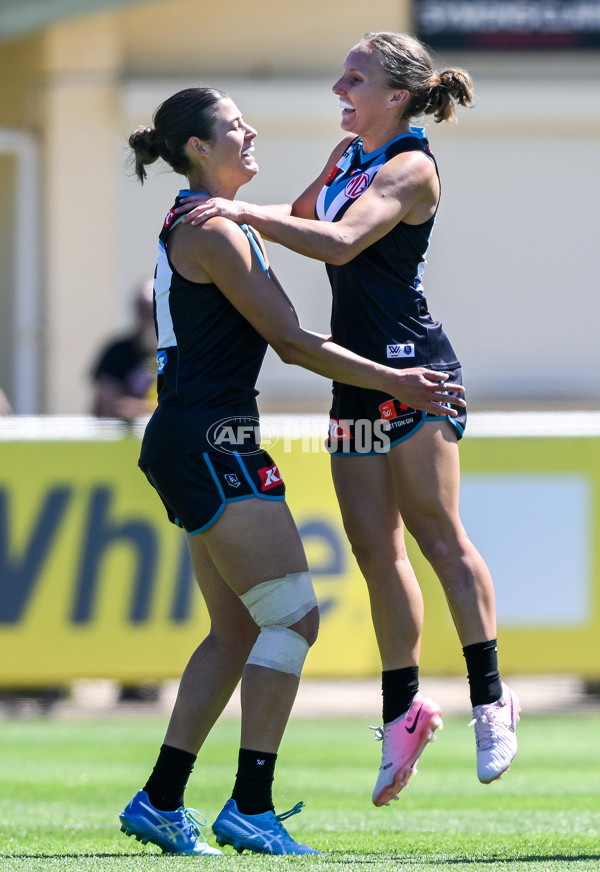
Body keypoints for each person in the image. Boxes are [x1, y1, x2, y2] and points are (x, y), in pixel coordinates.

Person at [175, 31, 520, 808]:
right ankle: (404, 713)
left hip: (415, 371)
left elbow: (334, 243)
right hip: (359, 379)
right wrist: (244, 214)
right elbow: (300, 213)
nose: (340, 89)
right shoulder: (347, 157)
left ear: (396, 96)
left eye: (353, 79)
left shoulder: (411, 165)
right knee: (374, 549)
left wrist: (236, 210)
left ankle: (492, 700)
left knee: (438, 535)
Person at [119, 86, 465, 856]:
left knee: (237, 626)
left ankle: (161, 799)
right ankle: (250, 804)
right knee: (293, 618)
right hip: (214, 441)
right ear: (200, 149)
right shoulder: (218, 230)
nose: (251, 133)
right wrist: (399, 381)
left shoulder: (206, 220)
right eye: (234, 126)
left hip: (194, 437)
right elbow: (294, 342)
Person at [90, 279, 157, 424]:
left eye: (152, 309)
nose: (147, 316)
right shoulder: (117, 351)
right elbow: (106, 404)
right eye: (141, 308)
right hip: (122, 435)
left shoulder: (181, 352)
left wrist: (144, 409)